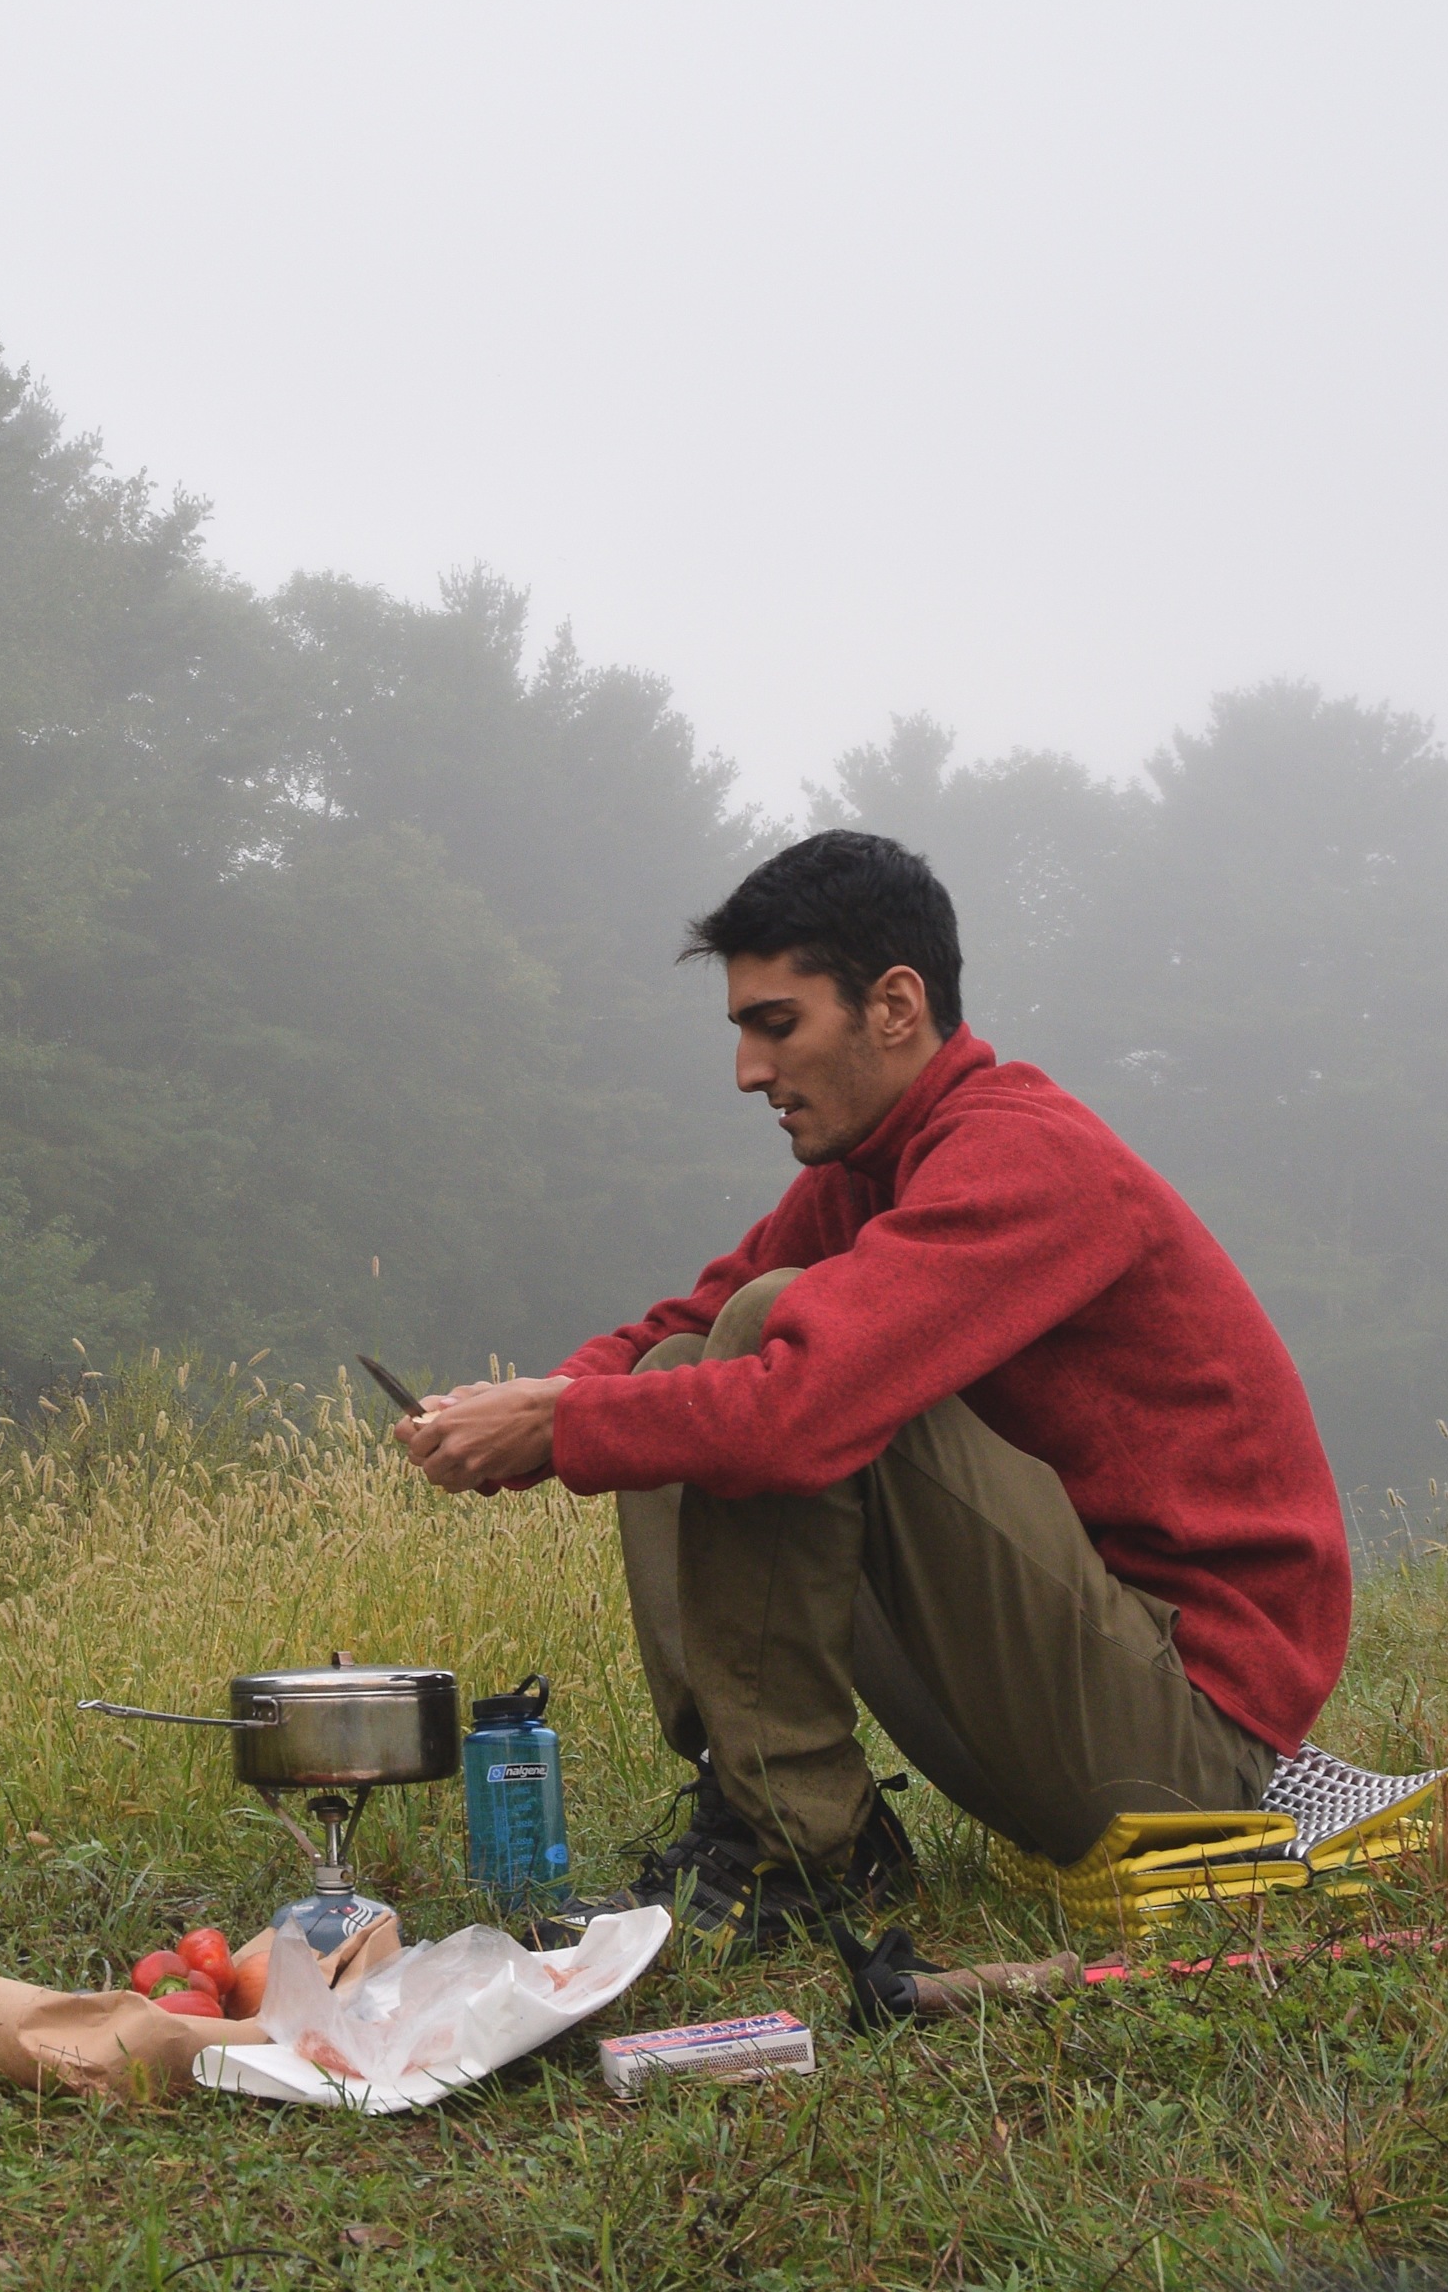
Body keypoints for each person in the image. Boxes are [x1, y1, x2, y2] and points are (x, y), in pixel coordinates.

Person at [391, 830, 1350, 1955]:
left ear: (896, 1004)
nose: (750, 1070)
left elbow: (798, 1410)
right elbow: (685, 1328)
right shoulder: (874, 1167)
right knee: (683, 1368)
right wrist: (536, 1402)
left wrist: (560, 1426)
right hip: (1057, 1698)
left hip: (1189, 1752)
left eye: (777, 1025)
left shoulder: (1027, 1158)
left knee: (779, 1359)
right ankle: (766, 1819)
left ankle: (809, 1854)